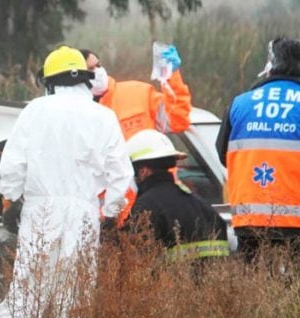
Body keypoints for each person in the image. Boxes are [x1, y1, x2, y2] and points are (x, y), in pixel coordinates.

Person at [0, 46, 134, 318]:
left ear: (50, 81)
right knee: (75, 292)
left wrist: (10, 200)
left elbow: (13, 164)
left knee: (28, 286)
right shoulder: (104, 117)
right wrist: (109, 214)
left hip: (39, 211)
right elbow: (121, 174)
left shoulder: (35, 110)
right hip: (85, 213)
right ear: (85, 80)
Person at [215, 37, 300, 261]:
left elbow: (223, 154)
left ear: (271, 65)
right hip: (296, 222)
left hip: (250, 218)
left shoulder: (240, 103)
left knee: (252, 286)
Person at [126, 130, 229, 260]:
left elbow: (134, 263)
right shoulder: (202, 206)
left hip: (167, 280)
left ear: (143, 171)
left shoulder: (144, 209)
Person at [79, 46, 192, 140]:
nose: (98, 72)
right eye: (90, 69)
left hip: (152, 166)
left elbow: (178, 120)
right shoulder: (74, 113)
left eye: (98, 65)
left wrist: (172, 76)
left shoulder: (139, 93)